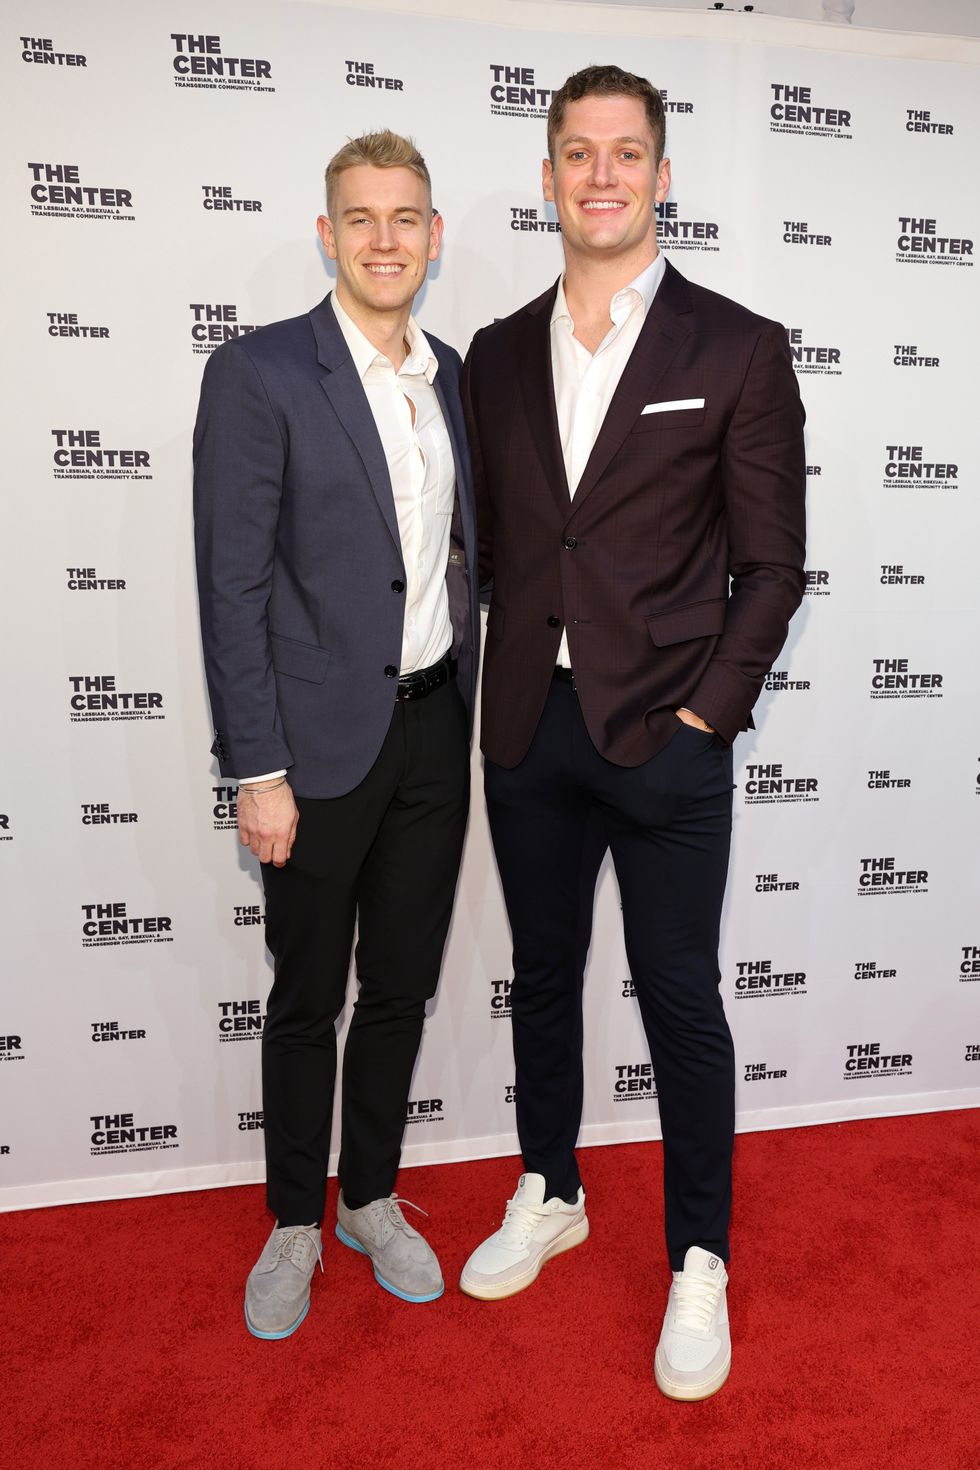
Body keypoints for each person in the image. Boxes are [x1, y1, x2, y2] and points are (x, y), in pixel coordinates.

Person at [459, 65, 806, 1400]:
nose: (601, 176)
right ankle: (550, 1185)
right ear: (548, 176)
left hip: (664, 743)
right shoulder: (492, 353)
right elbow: (486, 548)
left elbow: (773, 567)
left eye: (626, 154)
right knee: (542, 977)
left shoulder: (736, 345)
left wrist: (704, 717)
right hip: (526, 731)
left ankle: (700, 1255)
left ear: (662, 177)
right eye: (577, 153)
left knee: (681, 1002)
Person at [193, 130, 477, 1340]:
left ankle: (368, 1196)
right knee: (307, 996)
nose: (382, 240)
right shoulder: (259, 374)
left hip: (432, 731)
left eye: (403, 218)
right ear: (326, 235)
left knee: (402, 988)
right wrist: (256, 768)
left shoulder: (452, 371)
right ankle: (293, 1224)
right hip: (311, 747)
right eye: (359, 218)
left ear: (432, 235)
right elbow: (231, 586)